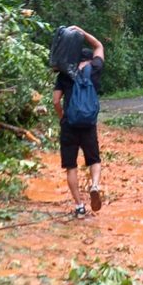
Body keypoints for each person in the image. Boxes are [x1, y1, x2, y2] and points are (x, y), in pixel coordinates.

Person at [52, 25, 105, 219]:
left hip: (70, 124)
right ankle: (95, 185)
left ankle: (80, 205)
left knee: (71, 166)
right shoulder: (95, 68)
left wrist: (63, 117)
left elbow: (56, 101)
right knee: (94, 159)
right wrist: (82, 32)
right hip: (88, 123)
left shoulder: (65, 73)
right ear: (90, 59)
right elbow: (99, 45)